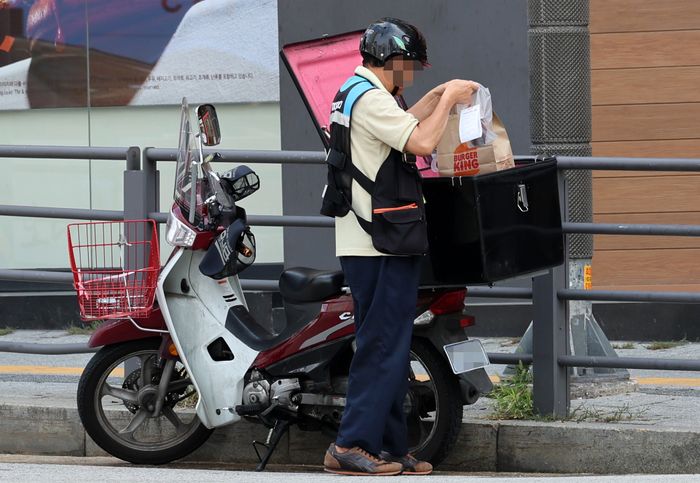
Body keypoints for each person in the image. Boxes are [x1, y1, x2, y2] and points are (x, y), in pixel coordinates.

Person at [321, 17, 479, 476]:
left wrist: (436, 95)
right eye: (409, 67)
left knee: (390, 344)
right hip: (379, 242)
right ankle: (350, 445)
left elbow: (401, 123)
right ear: (390, 61)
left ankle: (389, 447)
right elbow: (421, 140)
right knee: (382, 345)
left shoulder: (355, 92)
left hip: (369, 239)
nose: (410, 76)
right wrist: (449, 99)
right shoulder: (370, 98)